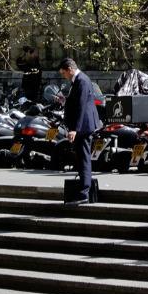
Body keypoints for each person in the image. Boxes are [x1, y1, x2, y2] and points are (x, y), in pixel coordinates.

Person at [59, 56, 101, 204]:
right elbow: (76, 101)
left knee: (84, 158)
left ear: (70, 69)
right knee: (81, 157)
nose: (63, 76)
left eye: (63, 73)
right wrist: (65, 101)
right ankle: (83, 190)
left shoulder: (82, 80)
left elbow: (82, 106)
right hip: (81, 126)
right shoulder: (77, 80)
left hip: (83, 126)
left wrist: (74, 129)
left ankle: (84, 192)